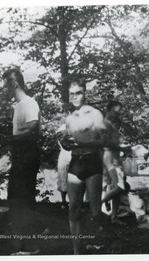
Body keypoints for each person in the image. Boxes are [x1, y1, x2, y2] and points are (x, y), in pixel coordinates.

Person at [57, 78, 118, 254]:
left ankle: (114, 238)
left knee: (95, 212)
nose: (74, 97)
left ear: (85, 94)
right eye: (71, 94)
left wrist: (83, 143)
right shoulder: (69, 119)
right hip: (75, 164)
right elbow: (69, 142)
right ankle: (77, 252)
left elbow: (105, 140)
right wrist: (66, 143)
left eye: (78, 93)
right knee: (73, 209)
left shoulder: (95, 114)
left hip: (92, 163)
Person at [0, 68, 41, 254]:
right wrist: (3, 141)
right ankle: (22, 246)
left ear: (15, 84)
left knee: (23, 201)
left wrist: (7, 139)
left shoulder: (29, 104)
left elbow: (33, 132)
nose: (4, 89)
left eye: (6, 85)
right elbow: (18, 136)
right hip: (19, 158)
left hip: (28, 158)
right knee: (16, 201)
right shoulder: (17, 106)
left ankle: (30, 247)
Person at [101, 100, 127, 225]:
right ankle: (94, 206)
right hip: (110, 158)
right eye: (118, 109)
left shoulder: (113, 124)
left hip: (114, 157)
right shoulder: (106, 123)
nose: (121, 112)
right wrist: (123, 148)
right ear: (111, 109)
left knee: (114, 188)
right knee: (119, 186)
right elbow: (105, 143)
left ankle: (113, 217)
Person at [56, 124, 71, 209]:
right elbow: (61, 141)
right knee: (63, 177)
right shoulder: (62, 127)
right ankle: (63, 201)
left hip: (74, 154)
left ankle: (72, 201)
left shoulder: (77, 127)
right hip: (65, 154)